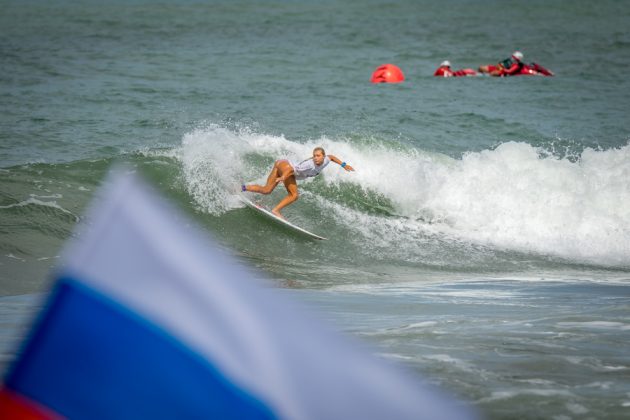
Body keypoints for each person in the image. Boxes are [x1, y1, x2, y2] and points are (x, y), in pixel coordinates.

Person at [242, 147, 354, 218]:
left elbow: (332, 157)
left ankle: (241, 188)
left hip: (281, 164)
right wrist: (283, 177)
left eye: (318, 156)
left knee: (266, 190)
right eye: (314, 155)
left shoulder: (326, 160)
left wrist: (344, 165)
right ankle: (275, 210)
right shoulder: (309, 165)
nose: (315, 158)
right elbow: (290, 170)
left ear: (323, 156)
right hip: (286, 168)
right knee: (294, 195)